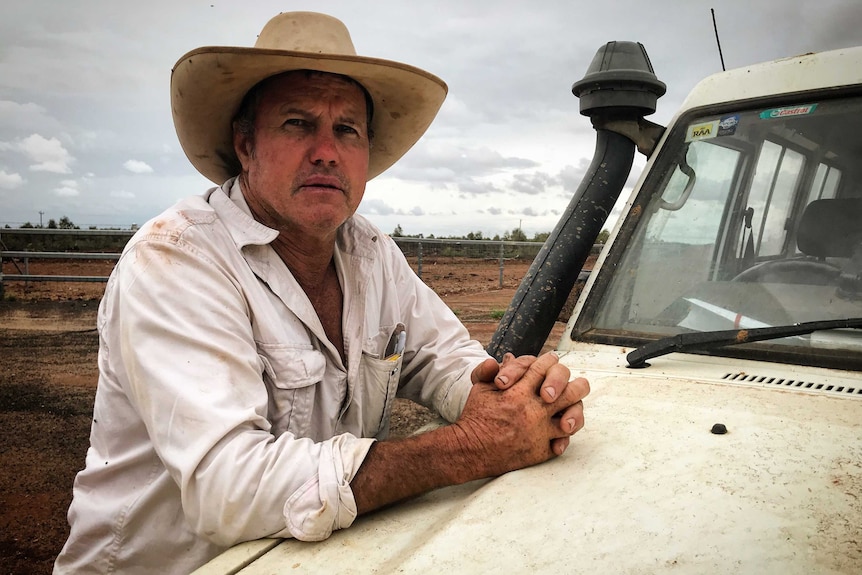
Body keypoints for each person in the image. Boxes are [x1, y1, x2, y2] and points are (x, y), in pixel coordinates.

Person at [54, 11, 590, 574]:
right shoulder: (176, 258)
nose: (326, 151)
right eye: (296, 123)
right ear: (245, 143)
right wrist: (475, 445)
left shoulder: (369, 252)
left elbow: (443, 357)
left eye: (347, 130)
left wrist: (511, 400)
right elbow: (228, 488)